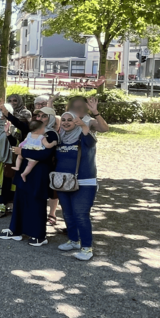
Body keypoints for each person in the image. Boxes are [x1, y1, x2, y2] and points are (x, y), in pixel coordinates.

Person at [0, 106, 59, 247]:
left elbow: (45, 155)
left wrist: (22, 152)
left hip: (39, 173)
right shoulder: (34, 132)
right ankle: (15, 230)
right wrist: (8, 125)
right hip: (25, 171)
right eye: (39, 116)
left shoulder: (51, 134)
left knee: (36, 203)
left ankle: (39, 235)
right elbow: (20, 140)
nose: (40, 118)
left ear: (51, 118)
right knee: (20, 201)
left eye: (44, 116)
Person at [53, 111, 99, 261]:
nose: (66, 122)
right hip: (63, 182)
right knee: (67, 213)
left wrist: (84, 125)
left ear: (76, 122)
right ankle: (73, 241)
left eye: (70, 120)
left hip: (84, 182)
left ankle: (87, 248)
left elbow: (91, 142)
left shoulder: (83, 137)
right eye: (63, 120)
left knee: (81, 214)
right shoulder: (60, 138)